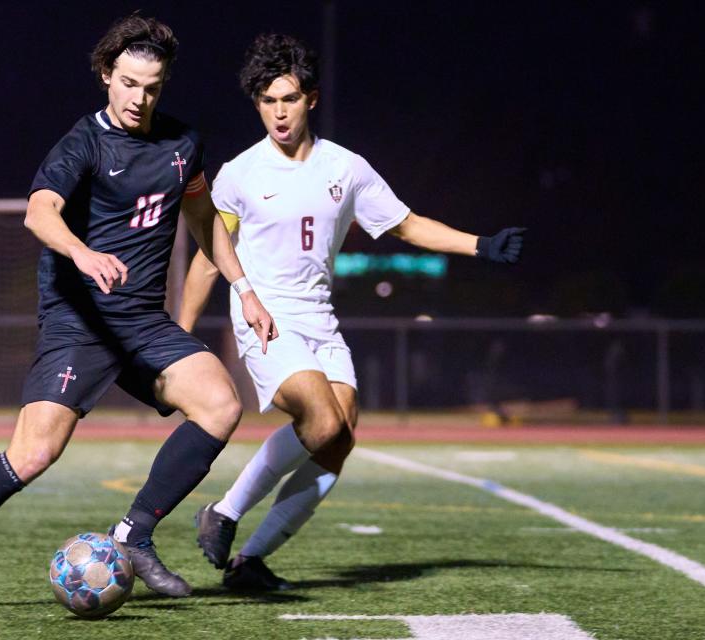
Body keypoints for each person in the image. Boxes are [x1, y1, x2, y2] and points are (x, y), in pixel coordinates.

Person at [0, 14, 277, 610]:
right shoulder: (84, 143)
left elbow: (204, 222)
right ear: (106, 76)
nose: (138, 98)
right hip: (82, 321)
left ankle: (135, 534)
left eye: (150, 86)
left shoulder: (183, 144)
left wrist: (244, 288)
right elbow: (39, 211)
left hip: (144, 320)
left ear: (163, 83)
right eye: (127, 82)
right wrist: (82, 251)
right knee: (35, 453)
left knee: (222, 405)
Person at [180, 34, 524, 591]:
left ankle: (252, 562)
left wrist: (479, 245)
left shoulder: (347, 168)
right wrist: (180, 338)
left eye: (288, 98)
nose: (279, 112)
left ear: (310, 99)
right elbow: (208, 259)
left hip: (320, 319)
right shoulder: (240, 174)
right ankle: (223, 511)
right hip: (264, 315)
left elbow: (407, 224)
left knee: (339, 439)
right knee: (320, 421)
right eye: (267, 101)